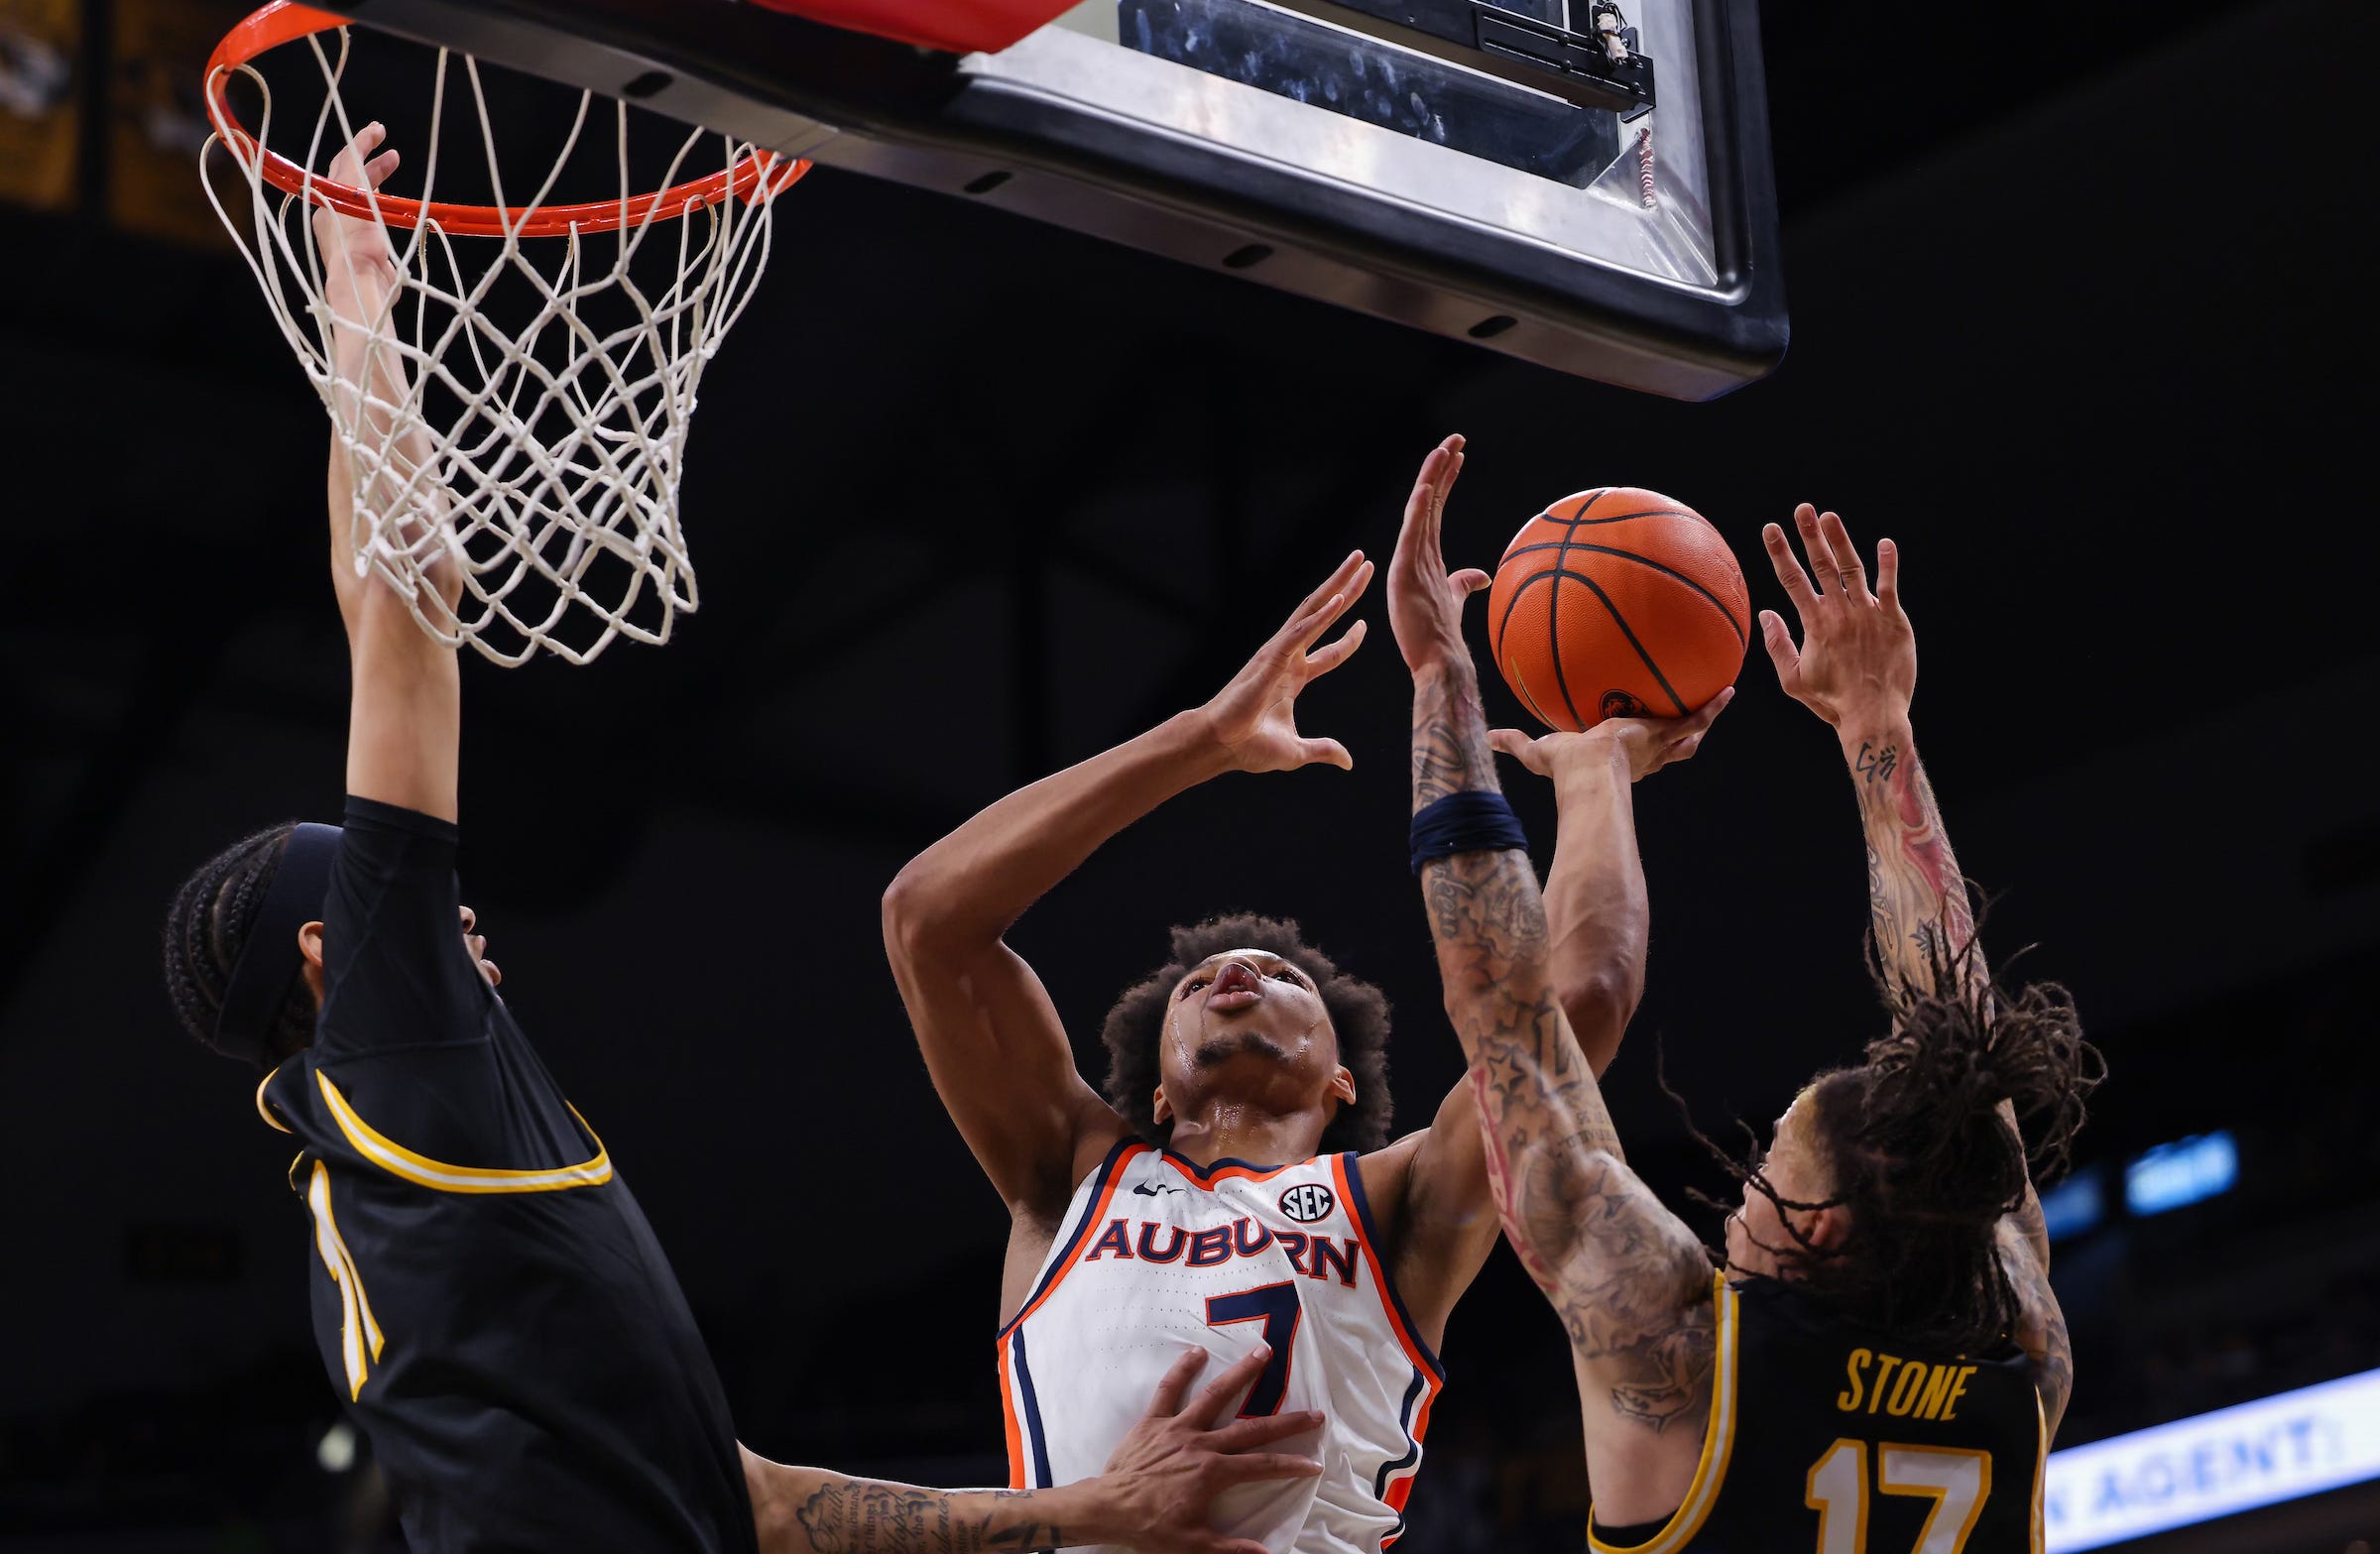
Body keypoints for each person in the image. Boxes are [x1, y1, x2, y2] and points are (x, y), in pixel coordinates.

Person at [160, 122, 1324, 1554]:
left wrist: (1096, 1510)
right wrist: (359, 311)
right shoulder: (393, 1061)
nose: (456, 913)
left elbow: (762, 1503)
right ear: (332, 953)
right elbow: (406, 599)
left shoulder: (416, 1169)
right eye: (390, 892)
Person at [884, 439, 1658, 1553]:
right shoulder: (1071, 1176)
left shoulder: (1395, 1202)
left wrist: (1592, 777)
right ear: (1157, 1090)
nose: (1233, 975)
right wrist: (1202, 739)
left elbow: (1574, 1011)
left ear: (1342, 1079)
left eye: (1281, 977)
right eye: (1200, 984)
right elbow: (929, 921)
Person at [1387, 471, 2099, 1552]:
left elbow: (1514, 1013)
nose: (1748, 1184)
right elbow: (1502, 1011)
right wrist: (1876, 723)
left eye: (1771, 1163)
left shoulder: (1686, 1360)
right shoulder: (2019, 1362)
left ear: (1822, 1224)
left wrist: (1468, 688)